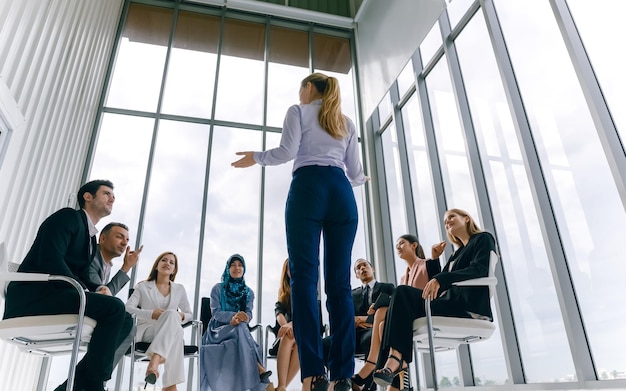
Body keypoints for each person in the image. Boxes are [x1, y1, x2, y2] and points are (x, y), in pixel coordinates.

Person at [232, 72, 368, 391]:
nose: (300, 94)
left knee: (305, 279)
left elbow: (286, 152)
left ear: (308, 88)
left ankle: (314, 373)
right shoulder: (345, 121)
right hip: (341, 194)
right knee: (340, 286)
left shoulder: (298, 111)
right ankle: (343, 375)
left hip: (309, 189)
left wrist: (256, 158)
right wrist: (362, 182)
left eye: (301, 89)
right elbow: (356, 172)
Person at [3, 180, 131, 391]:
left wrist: (97, 289)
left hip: (57, 293)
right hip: (36, 297)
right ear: (88, 197)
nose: (112, 199)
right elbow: (50, 258)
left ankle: (82, 384)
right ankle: (93, 384)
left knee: (124, 318)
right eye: (106, 194)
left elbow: (82, 275)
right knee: (114, 308)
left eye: (113, 196)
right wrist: (83, 288)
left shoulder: (91, 240)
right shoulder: (68, 217)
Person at [373, 209, 497, 388]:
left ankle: (393, 364)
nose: (448, 222)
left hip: (465, 306)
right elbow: (438, 282)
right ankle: (394, 362)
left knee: (402, 294)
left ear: (467, 218)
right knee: (401, 293)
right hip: (449, 303)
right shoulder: (457, 253)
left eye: (452, 217)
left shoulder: (483, 238)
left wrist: (441, 278)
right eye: (445, 221)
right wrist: (435, 259)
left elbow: (480, 269)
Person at [352, 235, 443, 391]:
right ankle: (396, 377)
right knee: (381, 323)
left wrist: (435, 259)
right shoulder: (403, 277)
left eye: (402, 243)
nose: (398, 247)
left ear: (414, 245)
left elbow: (437, 284)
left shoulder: (427, 264)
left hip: (426, 309)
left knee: (383, 317)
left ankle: (372, 364)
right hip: (407, 315)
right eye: (396, 245)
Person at [200, 254, 271, 391]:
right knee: (241, 327)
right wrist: (233, 317)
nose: (237, 268)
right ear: (228, 268)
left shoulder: (249, 292)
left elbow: (249, 314)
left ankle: (256, 369)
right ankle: (257, 368)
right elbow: (216, 313)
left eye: (240, 265)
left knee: (241, 326)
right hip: (218, 330)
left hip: (239, 330)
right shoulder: (218, 289)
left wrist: (241, 318)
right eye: (233, 265)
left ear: (244, 269)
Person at [125, 251, 192, 391]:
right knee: (177, 331)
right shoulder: (143, 286)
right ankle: (169, 386)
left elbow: (189, 314)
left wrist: (181, 316)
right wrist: (151, 314)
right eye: (164, 260)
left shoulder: (179, 289)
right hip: (148, 330)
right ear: (157, 265)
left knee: (173, 318)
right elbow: (128, 309)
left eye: (171, 262)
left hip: (169, 332)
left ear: (174, 270)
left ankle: (154, 363)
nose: (167, 263)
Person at [88, 222, 143, 386]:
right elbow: (102, 293)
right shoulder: (91, 258)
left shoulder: (105, 265)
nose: (125, 242)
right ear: (102, 238)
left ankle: (94, 381)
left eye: (127, 239)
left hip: (93, 307)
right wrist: (125, 268)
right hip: (75, 302)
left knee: (129, 326)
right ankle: (94, 381)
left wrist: (126, 267)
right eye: (119, 236)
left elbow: (106, 292)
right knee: (123, 318)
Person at [271, 259, 299, 391]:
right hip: (287, 336)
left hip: (303, 333)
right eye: (289, 268)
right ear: (286, 272)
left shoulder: (309, 291)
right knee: (289, 336)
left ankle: (282, 387)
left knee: (301, 342)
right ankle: (282, 386)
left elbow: (308, 316)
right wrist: (286, 325)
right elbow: (279, 313)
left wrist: (293, 324)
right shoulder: (284, 296)